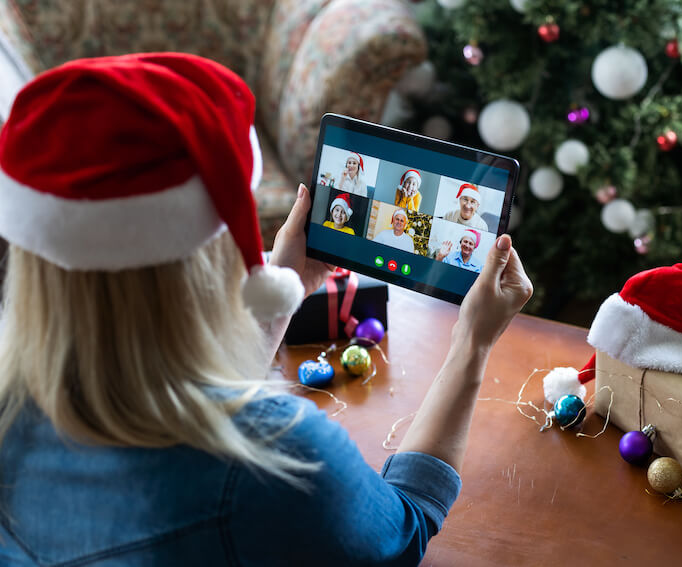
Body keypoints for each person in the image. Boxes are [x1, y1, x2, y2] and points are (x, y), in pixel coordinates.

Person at [0, 53, 532, 565]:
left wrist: (291, 286)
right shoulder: (279, 458)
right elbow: (401, 532)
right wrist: (472, 343)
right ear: (209, 250)